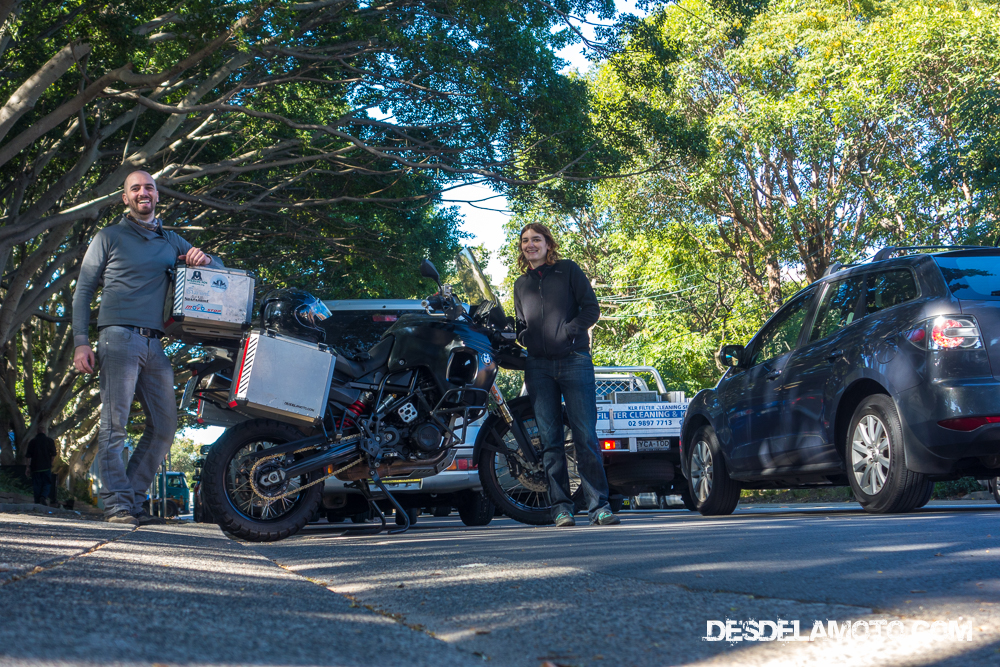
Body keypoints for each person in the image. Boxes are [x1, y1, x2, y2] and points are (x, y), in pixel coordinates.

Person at [72, 170, 222, 526]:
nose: (143, 193)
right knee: (115, 424)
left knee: (166, 425)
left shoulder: (171, 241)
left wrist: (203, 260)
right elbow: (83, 291)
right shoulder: (108, 237)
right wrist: (81, 342)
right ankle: (117, 505)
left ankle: (134, 500)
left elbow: (218, 271)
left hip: (156, 344)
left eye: (149, 188)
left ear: (157, 196)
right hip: (118, 337)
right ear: (125, 198)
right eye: (135, 188)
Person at [513, 223, 619, 527]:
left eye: (536, 239)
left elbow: (591, 309)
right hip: (538, 368)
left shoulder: (568, 270)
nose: (530, 245)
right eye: (525, 241)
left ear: (548, 244)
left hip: (575, 361)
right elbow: (522, 324)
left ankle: (599, 507)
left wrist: (569, 331)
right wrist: (523, 337)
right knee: (550, 441)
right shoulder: (521, 284)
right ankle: (560, 508)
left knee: (585, 436)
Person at [24, 428, 57, 506]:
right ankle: (43, 496)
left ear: (37, 431)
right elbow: (53, 455)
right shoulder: (49, 441)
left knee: (36, 484)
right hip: (46, 466)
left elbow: (28, 456)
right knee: (47, 483)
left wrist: (27, 467)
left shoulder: (32, 442)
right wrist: (50, 463)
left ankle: (37, 501)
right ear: (44, 431)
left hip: (35, 467)